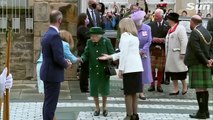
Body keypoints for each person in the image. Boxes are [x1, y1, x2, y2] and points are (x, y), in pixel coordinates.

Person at [99, 18, 143, 120]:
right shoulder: (134, 37)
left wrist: (121, 69)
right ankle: (135, 115)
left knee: (128, 93)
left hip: (129, 68)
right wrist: (110, 56)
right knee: (134, 93)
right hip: (137, 67)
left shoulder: (124, 36)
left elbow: (123, 54)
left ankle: (128, 115)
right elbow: (125, 52)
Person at [40, 10, 72, 120]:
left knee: (48, 102)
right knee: (51, 104)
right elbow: (58, 57)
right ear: (59, 20)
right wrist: (66, 64)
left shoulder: (47, 33)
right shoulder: (55, 36)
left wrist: (63, 61)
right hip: (52, 74)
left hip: (47, 72)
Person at [81, 27, 114, 117]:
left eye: (93, 36)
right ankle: (97, 108)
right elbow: (86, 53)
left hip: (104, 69)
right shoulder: (89, 42)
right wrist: (82, 58)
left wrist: (108, 58)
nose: (91, 38)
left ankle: (104, 108)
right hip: (93, 69)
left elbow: (112, 54)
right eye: (91, 36)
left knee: (104, 89)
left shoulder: (106, 41)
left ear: (98, 36)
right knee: (94, 89)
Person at [184, 15, 213, 119]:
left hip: (197, 63)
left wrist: (206, 61)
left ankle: (201, 112)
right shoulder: (207, 32)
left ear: (192, 22)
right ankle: (205, 112)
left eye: (190, 22)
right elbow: (210, 49)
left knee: (199, 89)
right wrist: (210, 60)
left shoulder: (195, 33)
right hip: (205, 64)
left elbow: (197, 50)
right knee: (204, 89)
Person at [36, 30, 78, 94]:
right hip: (50, 68)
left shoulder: (49, 41)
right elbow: (71, 58)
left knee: (44, 92)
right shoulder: (64, 44)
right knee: (51, 93)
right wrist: (81, 59)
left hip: (40, 65)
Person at [131, 10, 153, 100]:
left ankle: (141, 92)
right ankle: (134, 90)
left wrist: (143, 50)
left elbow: (149, 40)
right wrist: (136, 50)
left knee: (143, 72)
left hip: (144, 54)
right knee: (134, 72)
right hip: (133, 52)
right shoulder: (132, 29)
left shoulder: (147, 28)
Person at [165, 12, 188, 95]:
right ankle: (176, 89)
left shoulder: (180, 28)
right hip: (171, 55)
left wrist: (183, 52)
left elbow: (184, 41)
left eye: (168, 19)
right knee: (172, 73)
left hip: (178, 54)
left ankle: (185, 86)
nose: (167, 21)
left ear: (172, 20)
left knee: (181, 72)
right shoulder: (170, 29)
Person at [148, 9, 170, 92]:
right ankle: (152, 85)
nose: (155, 17)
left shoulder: (167, 25)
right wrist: (153, 39)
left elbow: (170, 36)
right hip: (152, 48)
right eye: (155, 16)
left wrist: (164, 40)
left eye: (157, 16)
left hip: (163, 49)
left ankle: (159, 85)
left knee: (161, 68)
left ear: (162, 16)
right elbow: (148, 36)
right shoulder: (150, 25)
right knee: (152, 68)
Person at [77, 13, 90, 93]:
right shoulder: (82, 28)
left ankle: (85, 86)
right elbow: (87, 37)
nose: (87, 20)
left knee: (85, 69)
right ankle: (84, 87)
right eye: (86, 18)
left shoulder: (83, 28)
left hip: (83, 49)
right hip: (83, 50)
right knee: (84, 70)